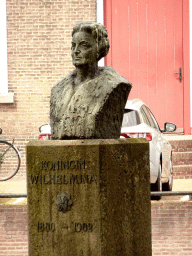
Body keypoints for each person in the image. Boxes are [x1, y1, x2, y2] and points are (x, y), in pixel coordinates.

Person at [50, 21, 132, 140]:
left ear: (99, 49)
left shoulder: (114, 85)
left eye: (84, 45)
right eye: (73, 45)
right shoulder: (57, 89)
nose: (76, 50)